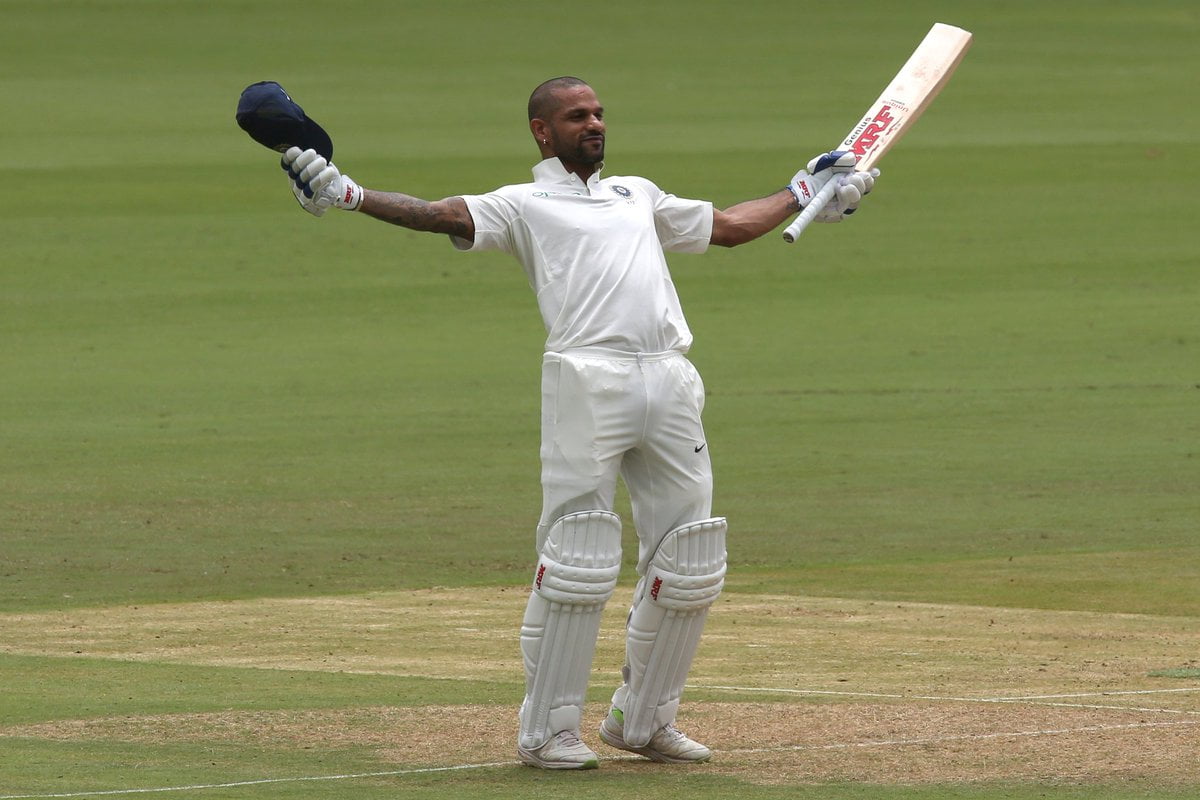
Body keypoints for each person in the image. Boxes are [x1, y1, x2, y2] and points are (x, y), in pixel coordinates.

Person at [278, 76, 876, 770]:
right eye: (576, 116)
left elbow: (730, 227)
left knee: (690, 556)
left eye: (598, 114)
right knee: (578, 554)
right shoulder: (522, 204)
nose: (594, 124)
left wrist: (806, 191)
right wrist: (348, 194)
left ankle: (643, 721)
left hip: (670, 376)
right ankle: (548, 731)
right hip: (587, 377)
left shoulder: (636, 193)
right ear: (542, 130)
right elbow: (437, 213)